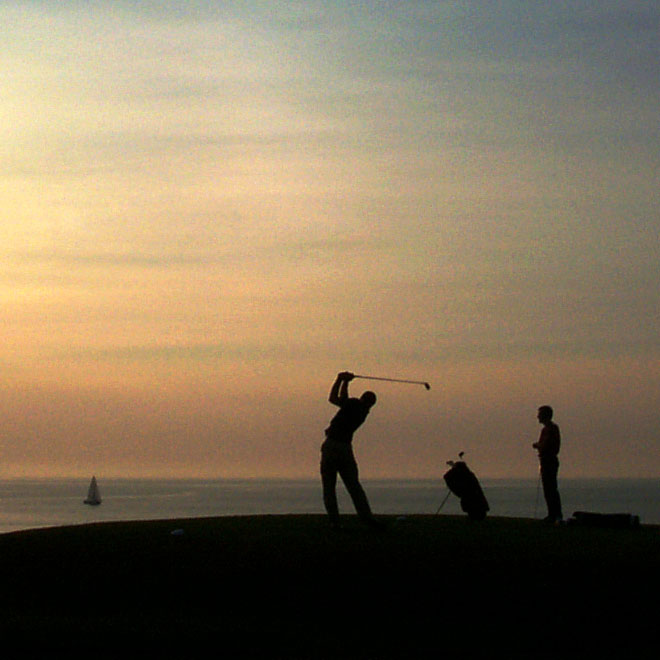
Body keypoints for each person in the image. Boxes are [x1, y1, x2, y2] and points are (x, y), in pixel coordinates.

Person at [320, 371, 381, 529]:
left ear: (362, 399)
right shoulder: (362, 411)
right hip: (345, 449)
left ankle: (335, 522)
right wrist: (344, 381)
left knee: (329, 487)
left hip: (333, 446)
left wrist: (342, 380)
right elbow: (340, 400)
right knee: (354, 486)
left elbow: (335, 399)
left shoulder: (355, 406)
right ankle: (366, 518)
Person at [533, 405, 563, 523]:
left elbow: (547, 445)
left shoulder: (551, 429)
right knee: (548, 489)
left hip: (549, 461)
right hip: (546, 461)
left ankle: (555, 514)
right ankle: (552, 514)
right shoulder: (546, 429)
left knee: (551, 489)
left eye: (540, 414)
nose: (537, 417)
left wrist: (538, 446)